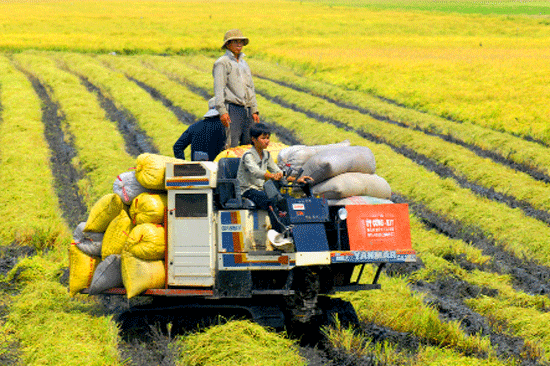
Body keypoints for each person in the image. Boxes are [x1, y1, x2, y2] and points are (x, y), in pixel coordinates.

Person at [237, 123, 312, 233]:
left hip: (261, 189)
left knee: (285, 198)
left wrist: (297, 179)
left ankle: (294, 227)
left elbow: (278, 172)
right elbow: (256, 172)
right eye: (263, 138)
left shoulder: (266, 155)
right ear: (253, 139)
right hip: (247, 191)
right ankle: (279, 231)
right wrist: (272, 176)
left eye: (268, 138)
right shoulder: (248, 156)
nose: (267, 141)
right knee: (272, 200)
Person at [213, 29, 260, 149]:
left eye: (241, 42)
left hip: (247, 109)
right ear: (228, 44)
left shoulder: (244, 63)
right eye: (235, 42)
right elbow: (219, 89)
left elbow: (251, 88)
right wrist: (222, 111)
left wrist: (254, 109)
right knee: (232, 145)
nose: (239, 45)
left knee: (249, 145)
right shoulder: (222, 63)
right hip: (232, 109)